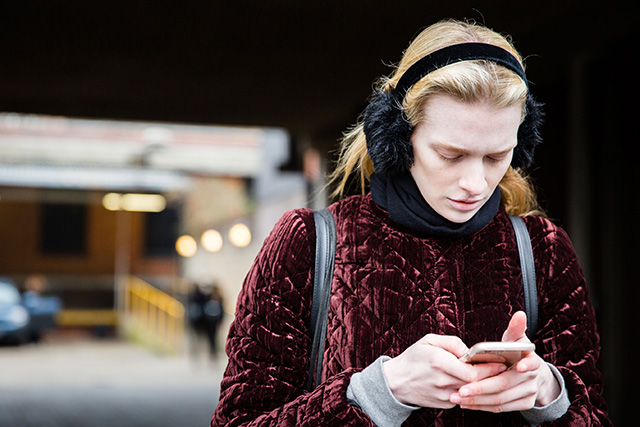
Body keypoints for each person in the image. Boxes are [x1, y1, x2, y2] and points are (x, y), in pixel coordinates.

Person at [211, 19, 611, 426]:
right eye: (450, 155)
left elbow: (593, 414)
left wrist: (548, 394)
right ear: (398, 136)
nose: (475, 184)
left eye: (496, 157)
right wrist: (379, 393)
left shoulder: (543, 250)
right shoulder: (308, 244)